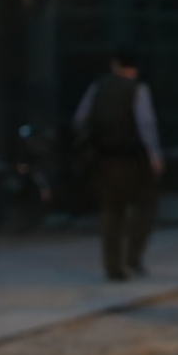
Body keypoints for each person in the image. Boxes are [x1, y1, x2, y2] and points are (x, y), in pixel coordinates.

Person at [72, 50, 163, 280]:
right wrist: (154, 155)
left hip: (104, 159)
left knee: (112, 211)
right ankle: (133, 257)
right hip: (133, 159)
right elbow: (146, 125)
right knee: (146, 206)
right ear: (135, 68)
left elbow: (80, 119)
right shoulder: (138, 89)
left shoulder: (97, 87)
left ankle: (113, 266)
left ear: (115, 65)